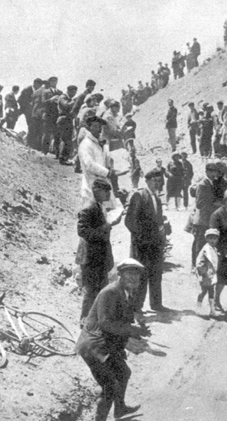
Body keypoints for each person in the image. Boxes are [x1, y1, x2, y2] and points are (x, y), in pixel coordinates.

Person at [75, 258, 146, 421]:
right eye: (129, 274)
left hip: (106, 344)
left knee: (124, 373)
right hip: (93, 346)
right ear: (120, 275)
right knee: (109, 386)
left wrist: (136, 331)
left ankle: (119, 409)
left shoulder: (126, 293)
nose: (134, 278)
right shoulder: (110, 292)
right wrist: (131, 329)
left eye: (137, 275)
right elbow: (105, 323)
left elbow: (121, 320)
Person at [76, 178, 124, 323]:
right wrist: (105, 227)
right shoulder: (89, 207)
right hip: (90, 257)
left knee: (99, 290)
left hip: (98, 257)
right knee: (90, 291)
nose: (108, 194)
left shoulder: (98, 206)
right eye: (106, 191)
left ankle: (93, 321)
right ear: (96, 190)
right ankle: (85, 322)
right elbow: (83, 231)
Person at [125, 169, 167, 313]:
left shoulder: (157, 198)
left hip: (155, 244)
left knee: (156, 273)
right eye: (154, 180)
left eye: (159, 181)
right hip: (142, 244)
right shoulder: (139, 195)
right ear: (147, 181)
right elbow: (130, 221)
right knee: (140, 275)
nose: (157, 183)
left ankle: (156, 304)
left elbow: (158, 220)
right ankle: (137, 306)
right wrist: (140, 238)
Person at [78, 116, 116, 210]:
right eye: (95, 126)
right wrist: (107, 172)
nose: (98, 129)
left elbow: (106, 159)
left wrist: (110, 165)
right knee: (93, 214)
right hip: (91, 185)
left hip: (104, 186)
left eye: (99, 127)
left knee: (106, 214)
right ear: (89, 128)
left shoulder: (101, 143)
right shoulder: (86, 145)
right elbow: (89, 165)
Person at [192, 163, 224, 268]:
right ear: (207, 172)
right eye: (211, 171)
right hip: (203, 219)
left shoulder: (212, 183)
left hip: (209, 219)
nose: (214, 173)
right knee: (199, 244)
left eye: (215, 171)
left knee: (205, 243)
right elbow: (200, 204)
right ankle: (196, 265)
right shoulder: (202, 184)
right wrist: (214, 204)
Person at [195, 228, 223, 317]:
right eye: (210, 238)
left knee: (211, 292)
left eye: (214, 238)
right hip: (205, 275)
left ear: (217, 239)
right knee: (203, 292)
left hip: (211, 275)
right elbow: (199, 263)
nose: (212, 240)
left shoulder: (213, 249)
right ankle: (198, 308)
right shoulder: (206, 249)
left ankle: (212, 310)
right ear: (206, 239)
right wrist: (204, 273)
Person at [56, 85, 77, 164]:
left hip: (68, 120)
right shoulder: (63, 97)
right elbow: (65, 105)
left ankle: (65, 158)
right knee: (64, 139)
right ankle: (62, 158)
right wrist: (74, 101)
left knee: (67, 140)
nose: (74, 94)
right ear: (69, 91)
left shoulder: (68, 98)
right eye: (73, 92)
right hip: (63, 119)